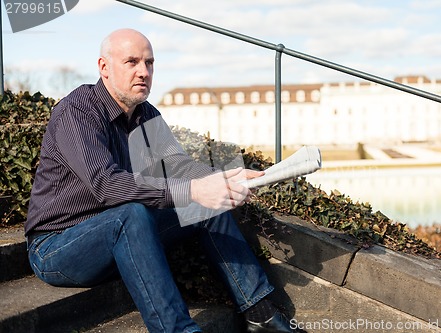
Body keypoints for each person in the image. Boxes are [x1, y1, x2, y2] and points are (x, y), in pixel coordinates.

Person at [24, 28, 305, 333]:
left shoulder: (146, 115)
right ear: (104, 67)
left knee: (206, 204)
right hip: (57, 246)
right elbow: (106, 184)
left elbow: (179, 168)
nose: (143, 72)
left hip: (122, 233)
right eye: (131, 62)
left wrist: (225, 179)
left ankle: (262, 317)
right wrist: (194, 190)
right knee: (132, 214)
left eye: (149, 63)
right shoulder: (76, 112)